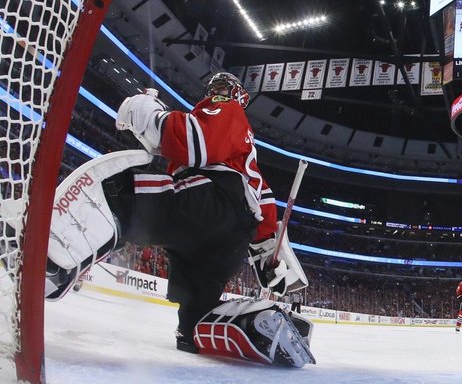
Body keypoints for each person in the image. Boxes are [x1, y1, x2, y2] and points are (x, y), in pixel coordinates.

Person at [45, 73, 313, 367]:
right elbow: (264, 203)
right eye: (215, 87)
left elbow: (194, 140)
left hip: (213, 202)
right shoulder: (246, 152)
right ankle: (252, 326)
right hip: (229, 235)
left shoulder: (225, 108)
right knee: (195, 318)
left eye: (224, 88)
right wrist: (266, 253)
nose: (218, 92)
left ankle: (53, 264)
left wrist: (149, 112)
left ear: (237, 95)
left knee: (123, 193)